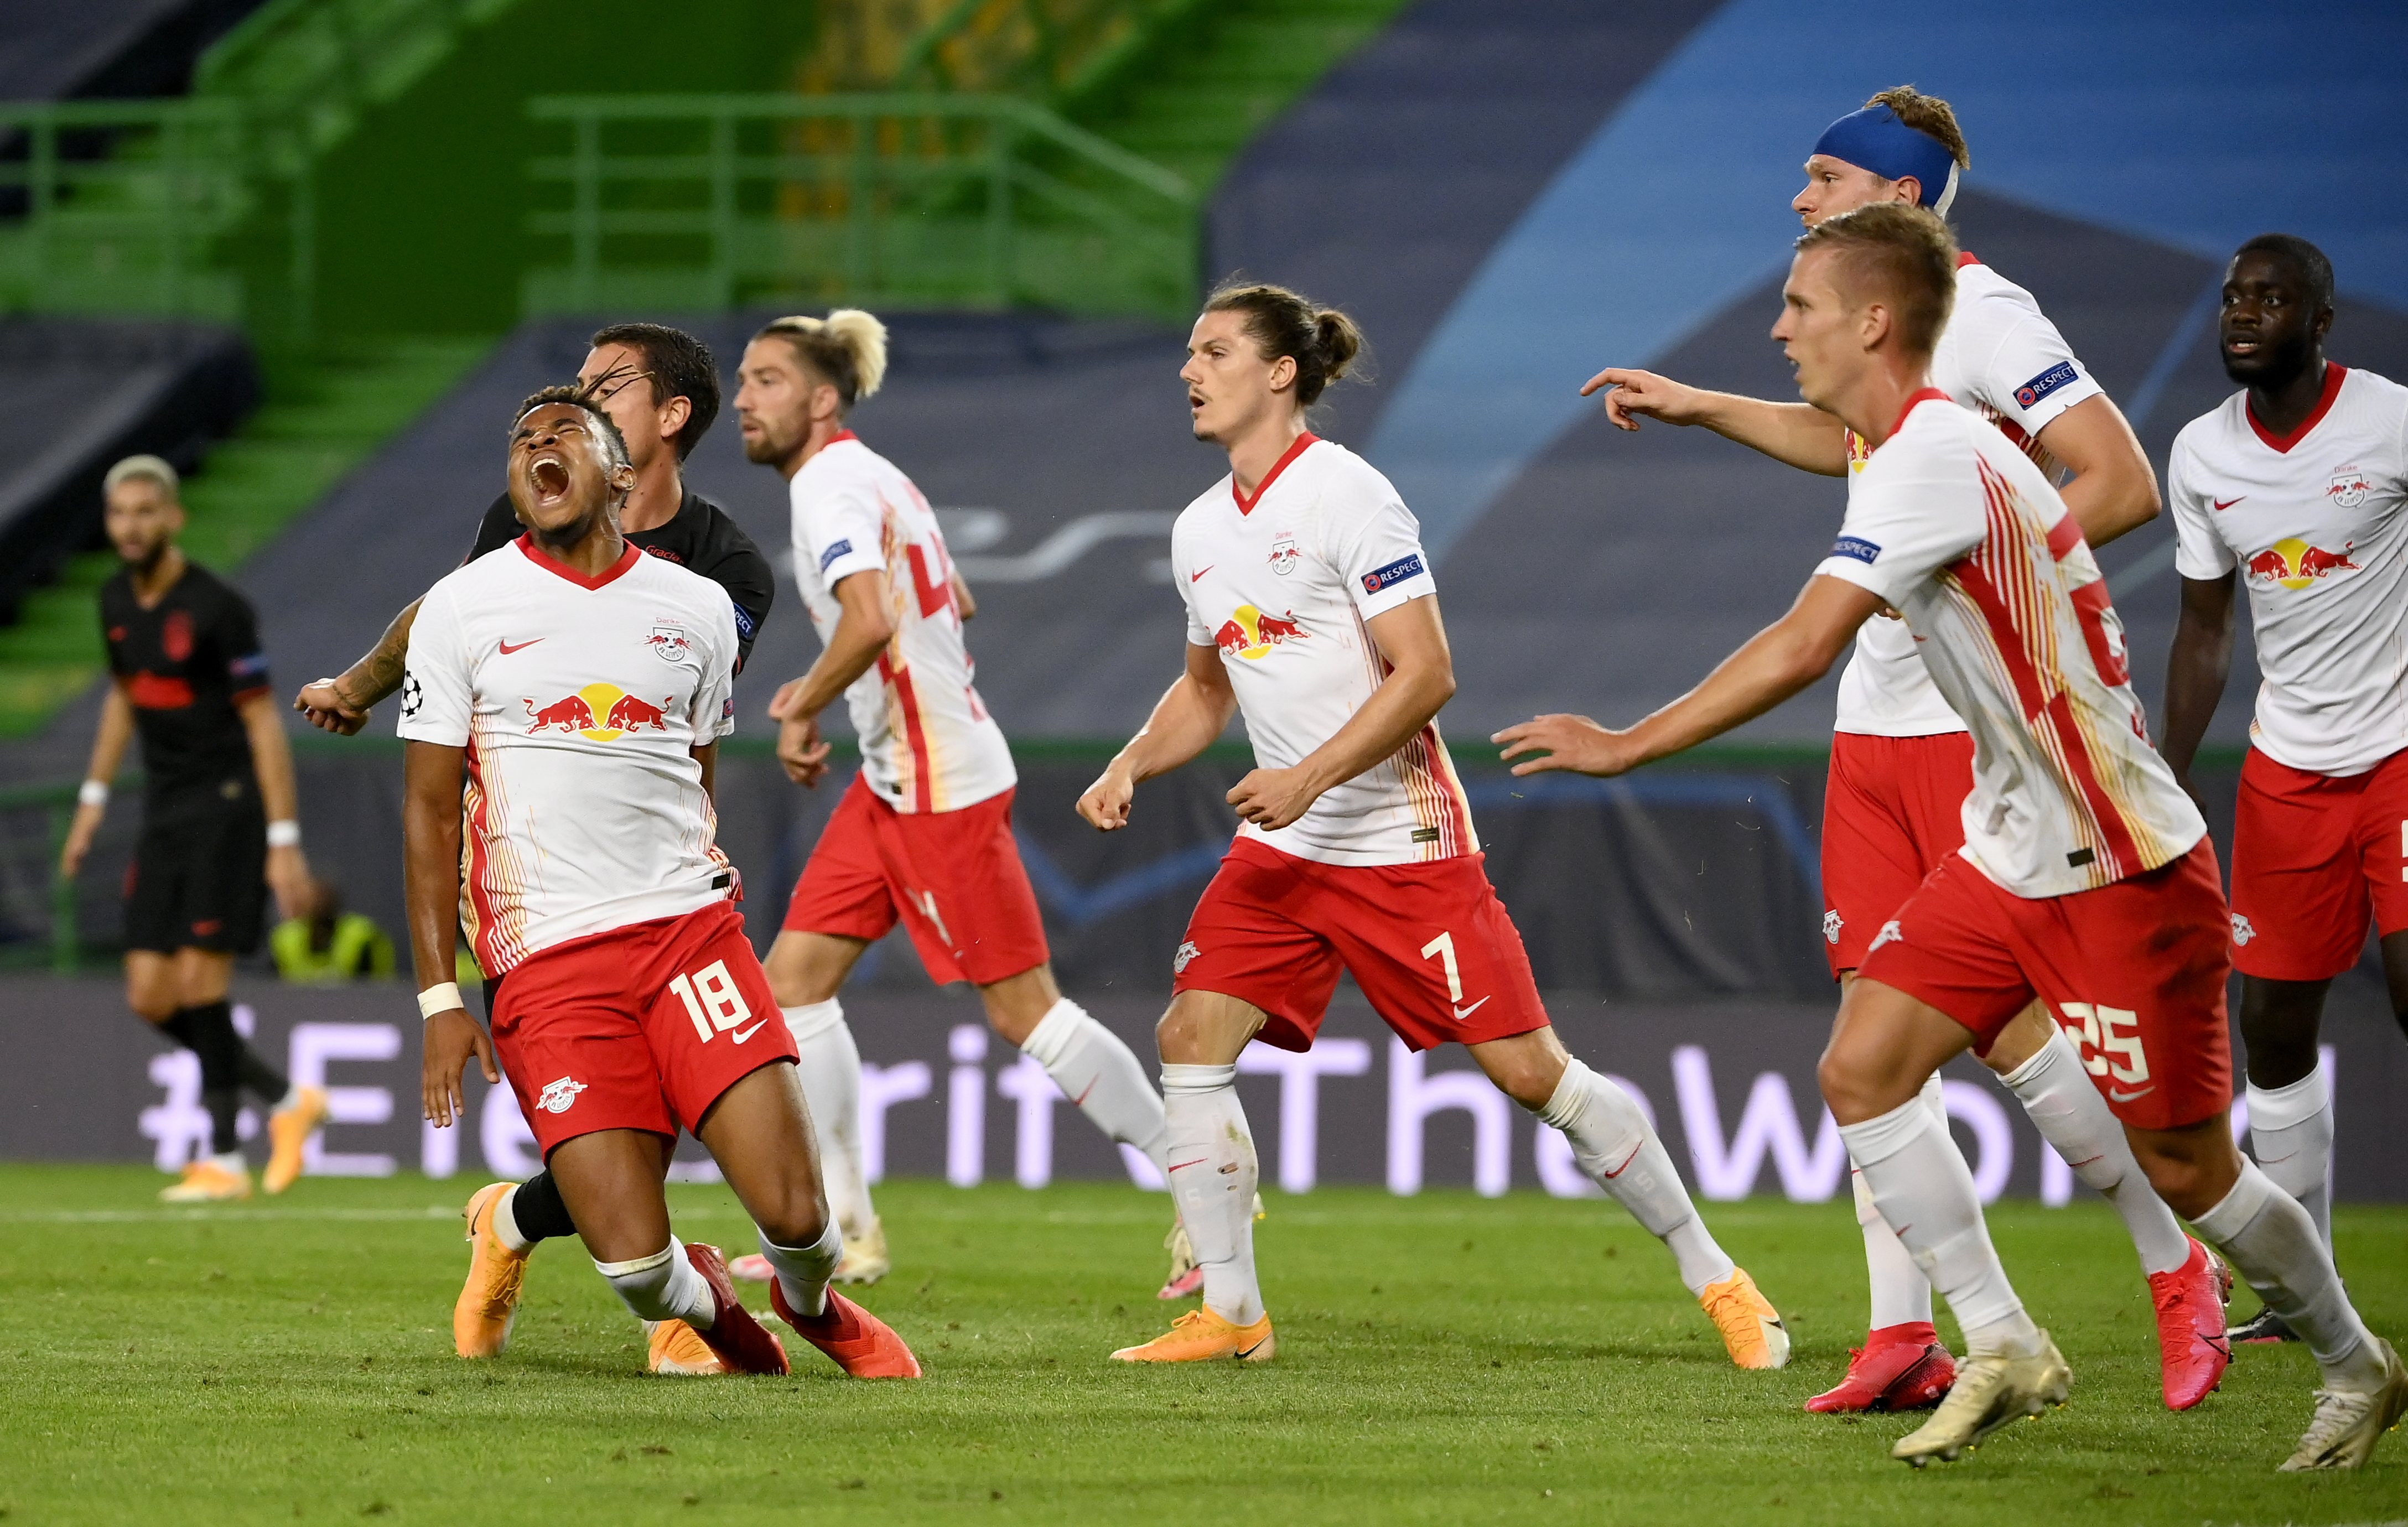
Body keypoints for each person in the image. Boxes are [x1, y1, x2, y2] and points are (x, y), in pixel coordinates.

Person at [1499, 203, 2405, 1470]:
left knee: (2192, 1167)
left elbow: (1803, 642)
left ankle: (2354, 1363)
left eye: (1799, 305)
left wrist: (1625, 742)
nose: (1777, 327)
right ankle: (2002, 1340)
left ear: (1871, 320)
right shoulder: (1918, 447)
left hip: (2117, 861)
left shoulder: (1930, 456)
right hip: (2008, 843)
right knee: (1861, 1069)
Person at [1580, 86, 2228, 1415]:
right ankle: (1907, 1330)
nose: (1797, 198)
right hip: (1870, 729)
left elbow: (2112, 478)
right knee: (1867, 1040)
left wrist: (2003, 589)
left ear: (1893, 197)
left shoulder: (1987, 313)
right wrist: (1701, 404)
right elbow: (1854, 445)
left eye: (1821, 177)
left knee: (2015, 1038)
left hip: (1963, 727)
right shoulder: (1878, 348)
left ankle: (2179, 1269)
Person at [1081, 283, 1788, 1369]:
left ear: (1279, 373)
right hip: (1287, 848)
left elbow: (1428, 674)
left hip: (1400, 846)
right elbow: (1207, 692)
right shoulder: (1196, 531)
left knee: (1530, 1073)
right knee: (1189, 1040)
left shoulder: (1352, 499)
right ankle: (1232, 1313)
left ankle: (1719, 1277)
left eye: (1213, 351)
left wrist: (1311, 775)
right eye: (1188, 351)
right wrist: (1133, 756)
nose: (1189, 369)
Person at [407, 387, 917, 1381]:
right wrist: (440, 997)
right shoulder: (461, 608)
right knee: (639, 1268)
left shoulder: (696, 610)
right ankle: (712, 1306)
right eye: (521, 441)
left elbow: (696, 773)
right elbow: (428, 811)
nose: (537, 449)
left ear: (623, 476)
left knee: (800, 1220)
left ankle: (813, 1307)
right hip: (544, 958)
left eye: (564, 435)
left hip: (687, 939)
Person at [292, 325, 773, 1370]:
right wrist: (358, 686)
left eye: (607, 385)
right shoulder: (519, 524)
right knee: (626, 1119)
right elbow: (448, 619)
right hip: (537, 895)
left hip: (661, 890)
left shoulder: (725, 571)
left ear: (664, 421)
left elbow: (687, 734)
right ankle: (674, 1317)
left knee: (675, 1114)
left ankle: (510, 1222)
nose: (573, 403)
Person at [727, 309, 1180, 1294]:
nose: (742, 400)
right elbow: (950, 600)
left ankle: (1199, 1182)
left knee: (1025, 1013)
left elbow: (871, 614)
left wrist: (802, 706)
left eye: (765, 380)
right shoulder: (878, 474)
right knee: (792, 987)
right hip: (897, 775)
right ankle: (847, 1229)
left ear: (821, 397)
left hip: (935, 783)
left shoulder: (831, 486)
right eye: (744, 380)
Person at [2160, 234, 2408, 1345]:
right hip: (2285, 773)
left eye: (2269, 299)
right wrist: (2161, 781)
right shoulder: (2201, 455)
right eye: (2230, 300)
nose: (2241, 315)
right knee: (2269, 1026)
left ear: (2320, 321)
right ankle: (2297, 1293)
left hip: (2399, 758)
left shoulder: (2389, 421)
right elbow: (2205, 631)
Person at [58, 455, 330, 1202]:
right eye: (120, 514)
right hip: (166, 808)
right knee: (149, 993)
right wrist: (91, 798)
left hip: (227, 804)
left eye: (147, 511)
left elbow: (264, 724)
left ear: (173, 518)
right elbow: (123, 698)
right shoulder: (114, 598)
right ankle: (285, 1099)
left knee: (198, 984)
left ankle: (221, 1159)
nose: (133, 525)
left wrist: (282, 840)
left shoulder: (217, 607)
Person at [271, 874, 396, 983]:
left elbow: (381, 984)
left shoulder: (363, 935)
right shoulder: (285, 938)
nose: (321, 903)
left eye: (325, 896)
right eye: (316, 897)